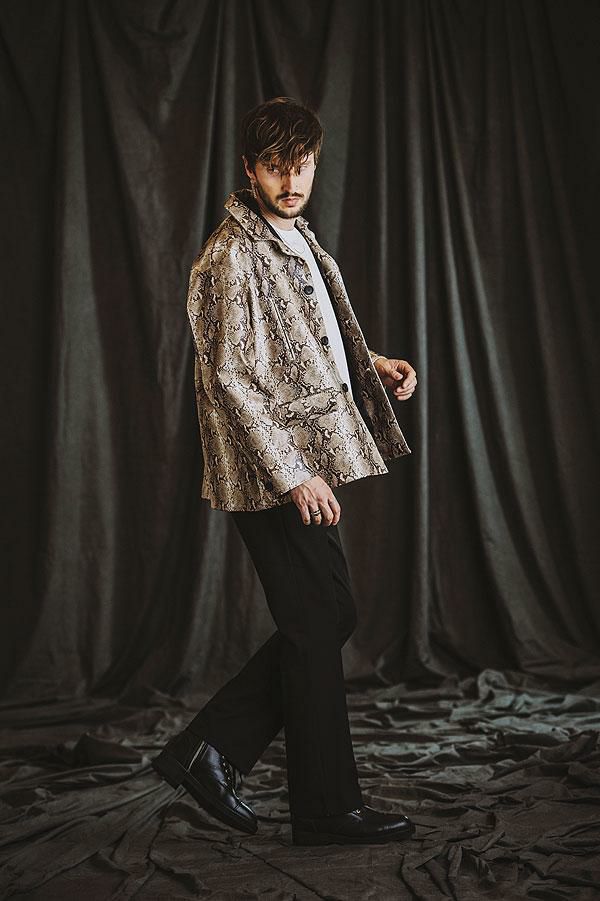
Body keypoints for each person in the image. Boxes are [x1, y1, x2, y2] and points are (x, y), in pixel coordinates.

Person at [153, 97, 418, 846]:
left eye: (301, 166)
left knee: (326, 615)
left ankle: (215, 753)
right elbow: (232, 377)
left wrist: (373, 364)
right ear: (250, 169)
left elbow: (308, 337)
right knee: (318, 618)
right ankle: (316, 805)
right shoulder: (229, 257)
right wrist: (294, 473)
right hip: (267, 471)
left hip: (302, 462)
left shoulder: (296, 238)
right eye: (276, 167)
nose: (291, 181)